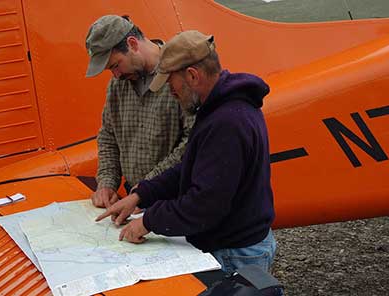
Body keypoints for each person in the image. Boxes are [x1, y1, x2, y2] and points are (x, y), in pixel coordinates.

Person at [96, 30, 277, 274]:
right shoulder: (218, 109)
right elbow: (190, 167)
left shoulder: (227, 123)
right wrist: (142, 195)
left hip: (236, 251)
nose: (171, 92)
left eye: (171, 83)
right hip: (232, 244)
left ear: (192, 76)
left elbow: (205, 204)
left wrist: (150, 221)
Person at [85, 15, 194, 208]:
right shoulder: (117, 85)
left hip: (174, 202)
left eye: (115, 65)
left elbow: (191, 143)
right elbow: (108, 136)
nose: (116, 75)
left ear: (133, 44)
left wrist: (144, 189)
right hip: (134, 201)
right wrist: (107, 184)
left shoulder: (181, 76)